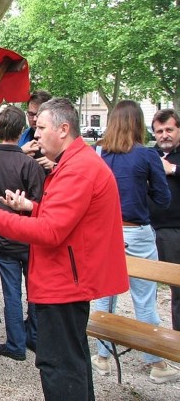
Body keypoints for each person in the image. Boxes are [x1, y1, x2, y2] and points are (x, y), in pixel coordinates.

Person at [0, 98, 129, 401]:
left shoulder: (77, 169)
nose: (34, 134)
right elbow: (65, 218)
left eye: (40, 127)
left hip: (64, 282)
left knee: (59, 364)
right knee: (70, 360)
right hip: (66, 278)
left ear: (64, 129)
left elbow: (51, 231)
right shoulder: (75, 163)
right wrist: (30, 206)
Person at [91, 101, 178, 384]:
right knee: (144, 297)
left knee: (104, 296)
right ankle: (155, 362)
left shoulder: (100, 153)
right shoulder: (148, 156)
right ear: (139, 123)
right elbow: (164, 199)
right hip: (137, 231)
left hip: (107, 231)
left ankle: (102, 358)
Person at [0, 105, 45, 361]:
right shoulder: (31, 166)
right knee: (34, 290)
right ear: (22, 130)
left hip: (2, 233)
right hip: (27, 235)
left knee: (11, 292)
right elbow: (38, 203)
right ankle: (34, 338)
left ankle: (15, 343)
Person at [150, 109, 180, 331]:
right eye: (159, 131)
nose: (164, 135)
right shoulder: (151, 155)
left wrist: (173, 169)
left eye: (169, 129)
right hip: (158, 229)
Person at [18, 90, 55, 172]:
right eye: (31, 114)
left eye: (38, 114)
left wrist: (56, 165)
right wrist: (19, 154)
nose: (34, 119)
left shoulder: (61, 138)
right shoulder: (21, 138)